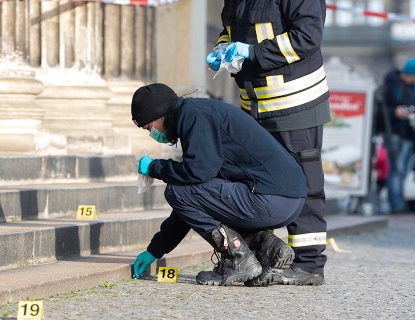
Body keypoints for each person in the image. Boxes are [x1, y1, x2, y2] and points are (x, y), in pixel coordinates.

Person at [130, 83, 307, 286]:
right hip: (287, 199)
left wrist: (154, 167)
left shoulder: (193, 116)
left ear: (158, 116)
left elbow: (196, 173)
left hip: (269, 198)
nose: (152, 134)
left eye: (149, 128)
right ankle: (268, 247)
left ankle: (239, 259)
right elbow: (196, 199)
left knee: (176, 191)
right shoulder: (200, 112)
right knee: (192, 193)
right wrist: (155, 249)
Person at [205, 0, 330, 286]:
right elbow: (231, 29)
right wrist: (222, 49)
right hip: (256, 106)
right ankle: (262, 257)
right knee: (256, 183)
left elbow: (308, 36)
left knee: (305, 183)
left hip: (297, 102)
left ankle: (309, 264)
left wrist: (252, 52)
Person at [382, 58, 415, 213]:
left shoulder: (413, 88)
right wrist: (395, 112)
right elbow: (381, 109)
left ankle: (399, 201)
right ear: (410, 74)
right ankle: (396, 204)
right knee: (397, 169)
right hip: (395, 133)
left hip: (410, 134)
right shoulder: (390, 85)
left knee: (404, 170)